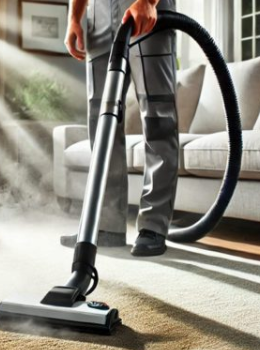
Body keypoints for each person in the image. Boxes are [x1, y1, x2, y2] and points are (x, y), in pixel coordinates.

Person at [61, 0, 178, 256]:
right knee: (102, 124)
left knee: (157, 119)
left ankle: (153, 226)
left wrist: (148, 2)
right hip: (98, 21)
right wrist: (74, 18)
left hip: (147, 17)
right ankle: (107, 225)